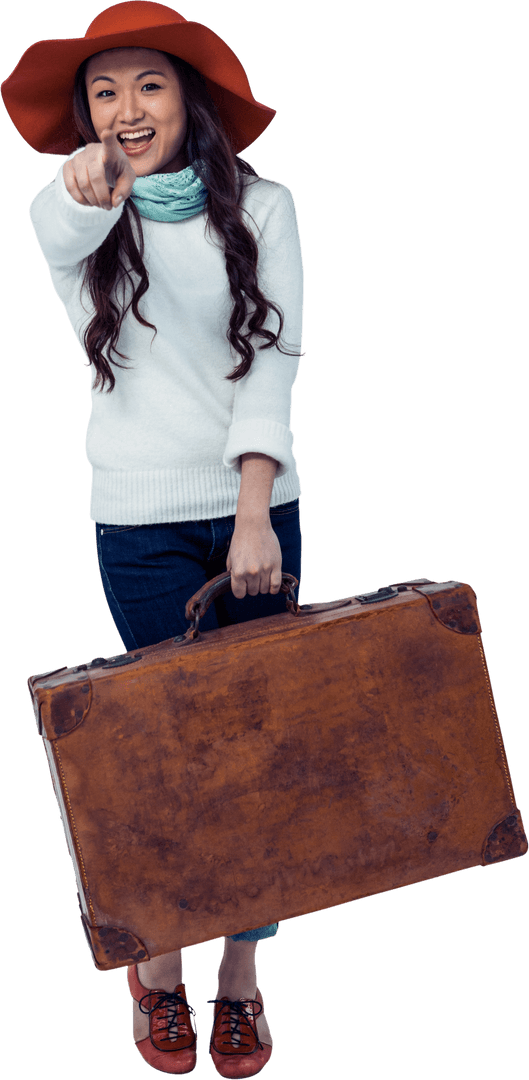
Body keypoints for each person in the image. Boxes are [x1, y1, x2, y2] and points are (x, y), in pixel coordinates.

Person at [1, 3, 304, 1077]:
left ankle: (241, 978)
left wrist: (255, 511)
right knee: (178, 755)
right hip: (135, 520)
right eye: (104, 91)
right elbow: (66, 219)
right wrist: (88, 182)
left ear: (188, 99)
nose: (126, 109)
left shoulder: (265, 206)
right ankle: (163, 966)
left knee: (260, 750)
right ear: (86, 116)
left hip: (258, 511)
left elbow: (274, 361)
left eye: (148, 85)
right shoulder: (72, 208)